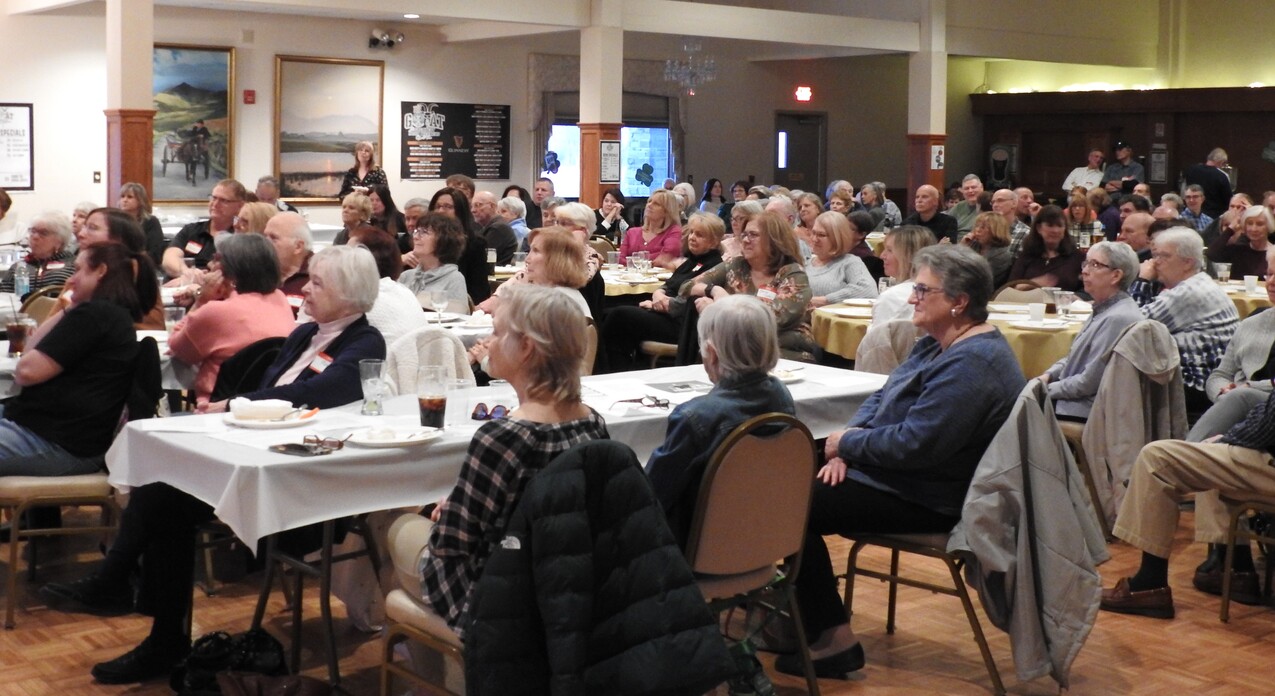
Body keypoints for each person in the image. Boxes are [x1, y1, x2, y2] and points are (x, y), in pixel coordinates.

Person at [40, 245, 386, 685]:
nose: (305, 290)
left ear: (351, 294)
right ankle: (155, 629)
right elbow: (276, 388)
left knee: (165, 497)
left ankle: (130, 601)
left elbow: (315, 395)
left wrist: (236, 404)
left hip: (299, 482)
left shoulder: (365, 343)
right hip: (256, 453)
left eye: (318, 283)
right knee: (163, 489)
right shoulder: (305, 333)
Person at [775, 244, 1025, 680]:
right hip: (896, 473)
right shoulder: (938, 344)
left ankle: (831, 639)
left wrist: (848, 447)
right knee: (783, 475)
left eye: (923, 289)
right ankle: (794, 615)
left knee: (789, 503)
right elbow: (882, 397)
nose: (912, 297)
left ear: (958, 301)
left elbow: (916, 445)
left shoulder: (974, 363)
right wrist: (846, 444)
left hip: (931, 495)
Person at [416, 284, 608, 632]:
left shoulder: (502, 438)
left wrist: (452, 511)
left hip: (501, 599)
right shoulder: (593, 423)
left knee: (401, 529)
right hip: (569, 589)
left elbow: (451, 542)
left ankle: (446, 673)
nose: (488, 341)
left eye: (497, 332)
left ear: (526, 348)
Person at [645, 294, 794, 546]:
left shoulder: (695, 418)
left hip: (697, 549)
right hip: (764, 542)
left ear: (711, 354)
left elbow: (652, 496)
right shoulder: (782, 398)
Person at [0, 242, 151, 477]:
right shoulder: (110, 314)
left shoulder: (95, 315)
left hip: (57, 442)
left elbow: (25, 373)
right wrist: (70, 307)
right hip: (59, 434)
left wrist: (73, 308)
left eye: (79, 270)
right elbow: (29, 355)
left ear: (101, 271)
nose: (71, 279)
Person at [167, 233, 296, 407]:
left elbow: (178, 348)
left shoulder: (217, 311)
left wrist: (201, 301)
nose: (209, 265)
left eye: (216, 259)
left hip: (216, 408)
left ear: (232, 271)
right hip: (266, 405)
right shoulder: (279, 298)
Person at [1130, 227, 1240, 414]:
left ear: (1187, 263)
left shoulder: (1188, 292)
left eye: (1163, 257)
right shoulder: (1198, 282)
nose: (1155, 263)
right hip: (1210, 378)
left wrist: (1142, 280)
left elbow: (1130, 326)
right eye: (1155, 256)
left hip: (1197, 384)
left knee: (1120, 373)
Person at [603, 212, 724, 371]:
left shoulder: (715, 268)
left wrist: (656, 305)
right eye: (692, 232)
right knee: (606, 313)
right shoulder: (691, 261)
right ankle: (619, 369)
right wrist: (657, 294)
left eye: (700, 235)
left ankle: (615, 372)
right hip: (665, 313)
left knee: (619, 316)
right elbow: (668, 285)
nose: (692, 237)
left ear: (714, 241)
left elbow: (686, 302)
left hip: (682, 324)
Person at [688, 211, 816, 361]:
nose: (746, 240)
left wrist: (720, 307)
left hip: (785, 351)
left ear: (774, 240)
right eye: (744, 235)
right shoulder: (736, 265)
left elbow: (768, 319)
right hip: (736, 346)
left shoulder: (792, 274)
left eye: (753, 235)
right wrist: (714, 290)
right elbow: (688, 286)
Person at [1039, 241, 1144, 420]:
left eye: (1095, 265)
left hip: (1087, 408)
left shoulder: (1118, 318)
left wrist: (1044, 390)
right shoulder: (1103, 307)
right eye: (1086, 263)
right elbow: (1074, 358)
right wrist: (1048, 375)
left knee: (1011, 406)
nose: (1085, 271)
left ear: (1116, 275)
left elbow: (1089, 383)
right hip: (1074, 397)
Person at [1189, 248, 1275, 442]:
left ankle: (1183, 456)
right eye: (1269, 274)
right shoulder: (1252, 322)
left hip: (1267, 409)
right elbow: (1219, 375)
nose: (1271, 282)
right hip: (1236, 404)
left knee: (1241, 398)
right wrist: (1224, 391)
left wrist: (1243, 388)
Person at [344, 226, 428, 348]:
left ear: (364, 261)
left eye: (347, 254)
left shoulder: (361, 301)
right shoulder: (403, 291)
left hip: (382, 365)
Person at [163, 179, 246, 278]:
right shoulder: (191, 230)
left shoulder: (240, 236)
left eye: (224, 200)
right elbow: (169, 257)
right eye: (213, 198)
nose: (215, 204)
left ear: (240, 206)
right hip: (181, 283)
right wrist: (187, 272)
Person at [430, 186, 490, 303]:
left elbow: (479, 289)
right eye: (438, 206)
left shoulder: (475, 243)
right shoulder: (423, 240)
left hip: (460, 303)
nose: (441, 211)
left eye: (448, 207)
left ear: (459, 211)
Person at [1008, 204, 1087, 292]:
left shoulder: (1077, 257)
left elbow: (1087, 290)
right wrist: (1033, 283)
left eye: (1060, 226)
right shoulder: (1027, 255)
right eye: (1050, 225)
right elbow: (1010, 289)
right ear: (1039, 228)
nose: (1055, 230)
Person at [806, 211, 877, 307]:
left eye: (821, 235)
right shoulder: (804, 264)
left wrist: (825, 300)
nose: (814, 239)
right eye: (813, 233)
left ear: (837, 238)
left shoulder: (850, 262)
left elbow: (868, 290)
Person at [397, 211, 470, 306]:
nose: (416, 237)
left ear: (443, 240)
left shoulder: (454, 278)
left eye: (424, 232)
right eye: (416, 231)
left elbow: (458, 315)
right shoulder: (406, 276)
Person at [872, 225, 937, 323]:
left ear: (909, 256)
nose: (882, 256)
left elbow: (877, 338)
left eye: (890, 250)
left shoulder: (892, 298)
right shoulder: (940, 292)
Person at [0, 211, 75, 295]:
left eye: (44, 233)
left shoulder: (72, 266)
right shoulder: (18, 267)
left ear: (60, 240)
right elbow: (4, 299)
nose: (35, 237)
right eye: (33, 231)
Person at [619, 189, 682, 268]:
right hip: (629, 277)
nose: (649, 205)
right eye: (649, 201)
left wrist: (633, 261)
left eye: (656, 204)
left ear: (667, 211)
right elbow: (620, 259)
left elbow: (666, 257)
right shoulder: (632, 232)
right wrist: (645, 263)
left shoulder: (673, 231)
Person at [262, 211, 313, 309]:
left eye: (273, 238)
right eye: (265, 236)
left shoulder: (317, 276)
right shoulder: (257, 270)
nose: (265, 243)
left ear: (298, 246)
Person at [1206, 204, 1273, 278]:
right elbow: (1211, 254)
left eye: (1259, 224)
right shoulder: (1237, 250)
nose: (1254, 229)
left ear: (1269, 226)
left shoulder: (1273, 253)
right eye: (1250, 223)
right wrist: (1230, 229)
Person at [116, 182, 165, 267]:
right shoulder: (115, 221)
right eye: (122, 196)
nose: (124, 200)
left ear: (140, 200)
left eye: (130, 197)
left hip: (145, 267)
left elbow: (155, 253)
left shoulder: (151, 221)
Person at [959, 211, 1013, 287]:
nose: (977, 230)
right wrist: (962, 246)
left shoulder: (1001, 255)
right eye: (977, 226)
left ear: (995, 230)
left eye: (983, 227)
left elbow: (977, 279)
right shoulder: (973, 244)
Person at [1182, 147, 1233, 219]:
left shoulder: (1191, 170)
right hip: (1213, 216)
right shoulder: (1221, 176)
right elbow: (1228, 200)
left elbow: (1183, 189)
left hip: (1190, 213)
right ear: (1221, 162)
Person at [470, 190, 518, 265]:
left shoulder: (499, 228)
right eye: (471, 206)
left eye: (477, 205)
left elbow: (479, 258)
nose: (473, 210)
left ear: (492, 206)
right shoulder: (491, 226)